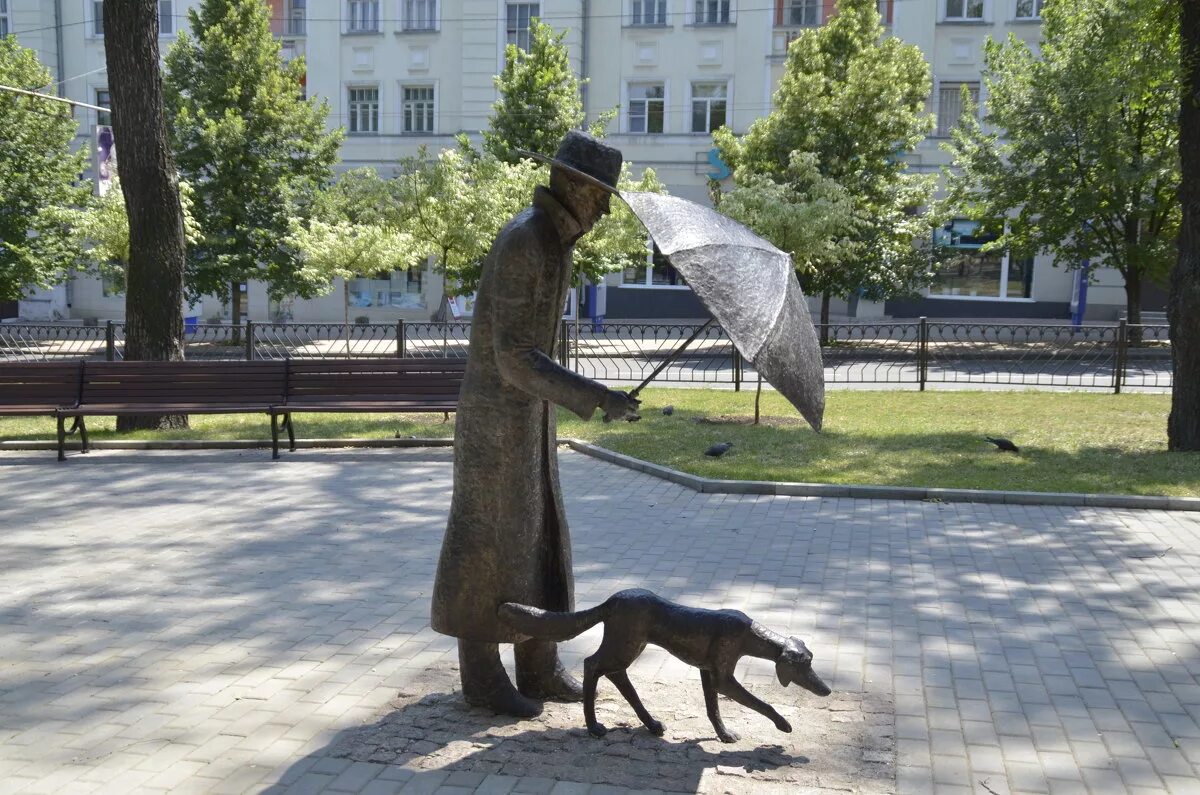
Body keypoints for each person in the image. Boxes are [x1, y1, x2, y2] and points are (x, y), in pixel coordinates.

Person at [431, 132, 641, 717]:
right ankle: (481, 678)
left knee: (539, 538)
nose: (601, 211)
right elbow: (513, 355)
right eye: (600, 198)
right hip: (497, 425)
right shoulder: (528, 241)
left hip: (527, 418)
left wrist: (585, 396)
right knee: (488, 545)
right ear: (573, 186)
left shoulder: (554, 241)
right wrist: (595, 395)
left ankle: (540, 664)